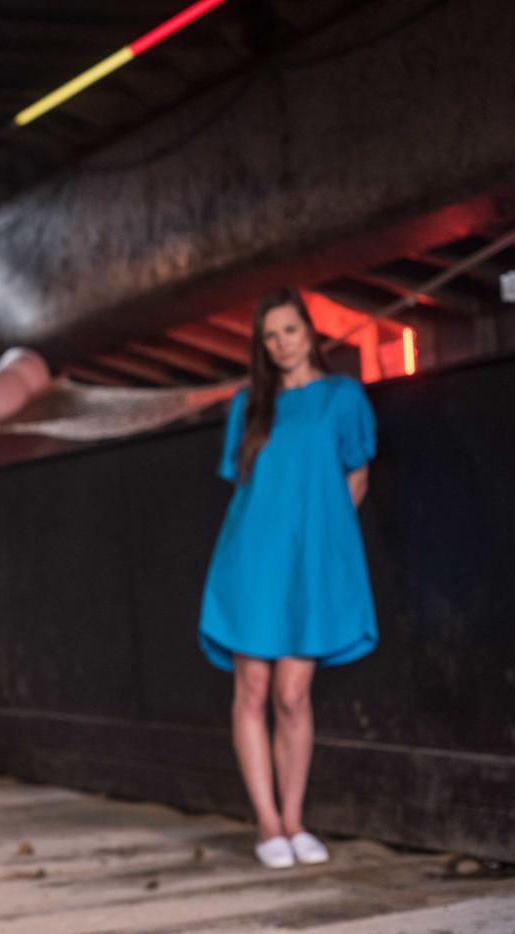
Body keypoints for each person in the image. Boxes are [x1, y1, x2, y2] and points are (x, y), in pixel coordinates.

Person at [198, 287, 378, 870]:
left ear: (310, 332)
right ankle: (268, 824)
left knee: (292, 694)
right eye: (270, 336)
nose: (281, 344)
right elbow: (247, 490)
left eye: (290, 331)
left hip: (310, 563)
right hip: (252, 560)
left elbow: (356, 476)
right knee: (251, 689)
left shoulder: (343, 397)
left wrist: (323, 546)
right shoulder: (248, 404)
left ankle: (296, 819)